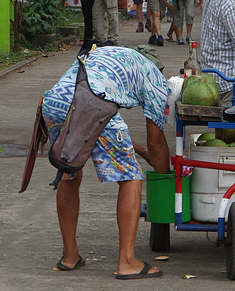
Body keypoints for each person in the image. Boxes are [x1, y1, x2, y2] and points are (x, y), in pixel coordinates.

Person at [42, 46, 170, 278]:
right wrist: (165, 186)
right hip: (93, 104)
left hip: (56, 100)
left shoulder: (111, 55)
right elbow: (157, 144)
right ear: (160, 69)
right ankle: (127, 262)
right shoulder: (156, 79)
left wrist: (137, 150)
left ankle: (70, 256)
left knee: (70, 170)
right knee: (131, 177)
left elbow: (106, 132)